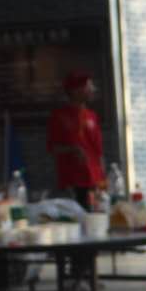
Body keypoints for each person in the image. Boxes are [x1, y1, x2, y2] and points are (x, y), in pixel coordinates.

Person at [45, 71, 105, 207]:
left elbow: (99, 151)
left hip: (94, 183)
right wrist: (73, 149)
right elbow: (53, 148)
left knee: (96, 220)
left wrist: (103, 181)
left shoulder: (92, 116)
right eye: (88, 87)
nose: (93, 90)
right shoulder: (59, 116)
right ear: (75, 90)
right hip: (73, 183)